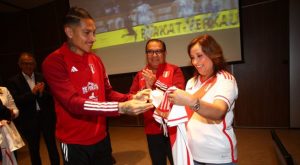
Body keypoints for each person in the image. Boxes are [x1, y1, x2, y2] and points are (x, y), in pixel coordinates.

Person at [41, 7, 153, 165]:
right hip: (74, 142)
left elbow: (107, 93)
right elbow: (74, 103)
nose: (93, 38)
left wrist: (132, 97)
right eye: (87, 32)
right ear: (69, 32)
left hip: (101, 137)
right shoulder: (54, 62)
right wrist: (120, 108)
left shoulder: (96, 60)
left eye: (94, 32)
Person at [168, 34, 238, 165]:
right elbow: (187, 114)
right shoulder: (191, 82)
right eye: (192, 58)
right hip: (193, 153)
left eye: (199, 56)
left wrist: (190, 101)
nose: (195, 62)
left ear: (213, 54)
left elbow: (218, 112)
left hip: (218, 156)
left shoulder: (225, 79)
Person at [129, 39, 185, 165]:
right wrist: (144, 92)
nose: (154, 55)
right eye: (150, 52)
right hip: (152, 128)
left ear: (165, 53)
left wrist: (155, 83)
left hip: (173, 127)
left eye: (158, 51)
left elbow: (179, 94)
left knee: (177, 161)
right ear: (146, 54)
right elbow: (131, 97)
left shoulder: (174, 70)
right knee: (158, 162)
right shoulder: (140, 75)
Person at [7, 52, 60, 165]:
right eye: (25, 63)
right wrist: (32, 93)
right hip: (29, 120)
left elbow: (52, 95)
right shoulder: (14, 81)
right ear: (20, 65)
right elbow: (16, 101)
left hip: (46, 117)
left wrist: (42, 93)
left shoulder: (42, 76)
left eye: (31, 63)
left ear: (35, 64)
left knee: (52, 146)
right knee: (34, 149)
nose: (28, 66)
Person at [0, 86, 20, 164]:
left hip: (8, 133)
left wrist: (12, 114)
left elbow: (14, 109)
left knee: (12, 160)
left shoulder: (3, 90)